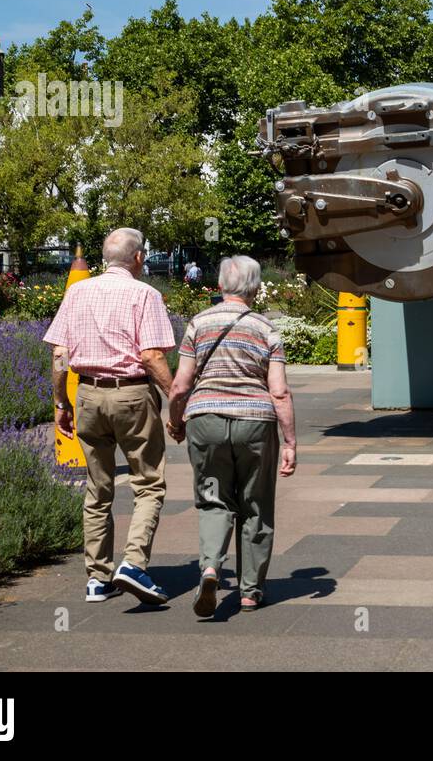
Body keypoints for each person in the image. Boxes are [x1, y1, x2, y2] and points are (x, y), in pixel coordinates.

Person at [45, 228, 179, 605]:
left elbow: (59, 354)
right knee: (149, 483)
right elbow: (152, 357)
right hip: (132, 395)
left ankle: (97, 577)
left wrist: (61, 403)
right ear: (138, 258)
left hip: (87, 394)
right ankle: (134, 564)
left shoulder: (77, 291)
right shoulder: (145, 294)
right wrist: (177, 401)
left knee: (98, 487)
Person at [167, 255, 297, 617]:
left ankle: (210, 568)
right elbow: (280, 392)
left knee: (213, 499)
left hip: (205, 421)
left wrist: (176, 421)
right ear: (254, 288)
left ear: (221, 285)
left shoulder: (198, 323)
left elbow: (180, 385)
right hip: (255, 422)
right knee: (255, 505)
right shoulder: (266, 329)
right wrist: (290, 442)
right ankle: (250, 593)